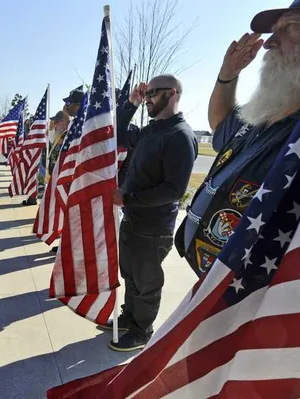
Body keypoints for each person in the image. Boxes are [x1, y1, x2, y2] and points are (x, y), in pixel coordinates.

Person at [173, 0, 300, 362]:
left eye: (290, 27)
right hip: (216, 293)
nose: (270, 42)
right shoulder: (269, 112)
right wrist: (228, 74)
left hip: (266, 319)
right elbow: (222, 125)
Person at [105, 75, 198, 352]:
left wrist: (129, 198)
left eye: (151, 95)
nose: (147, 100)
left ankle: (142, 329)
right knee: (130, 273)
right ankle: (130, 316)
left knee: (146, 281)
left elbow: (173, 189)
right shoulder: (152, 130)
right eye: (145, 95)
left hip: (154, 226)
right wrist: (130, 104)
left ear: (171, 94)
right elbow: (118, 133)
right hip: (134, 218)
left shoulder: (179, 135)